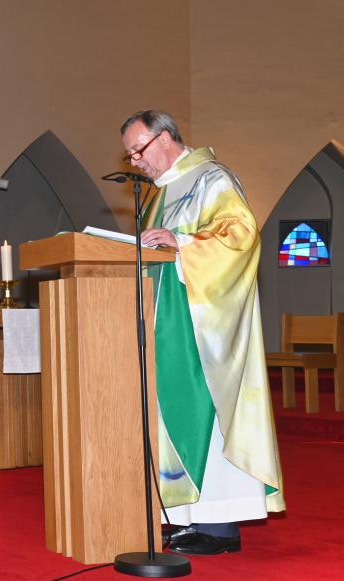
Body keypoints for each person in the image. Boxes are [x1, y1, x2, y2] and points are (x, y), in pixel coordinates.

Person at [120, 110, 285, 555]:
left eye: (139, 149)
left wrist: (184, 244)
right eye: (131, 154)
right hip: (167, 323)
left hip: (202, 325)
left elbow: (242, 236)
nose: (135, 161)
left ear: (166, 137)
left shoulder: (212, 178)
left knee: (205, 412)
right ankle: (184, 518)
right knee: (169, 415)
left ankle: (219, 527)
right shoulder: (158, 195)